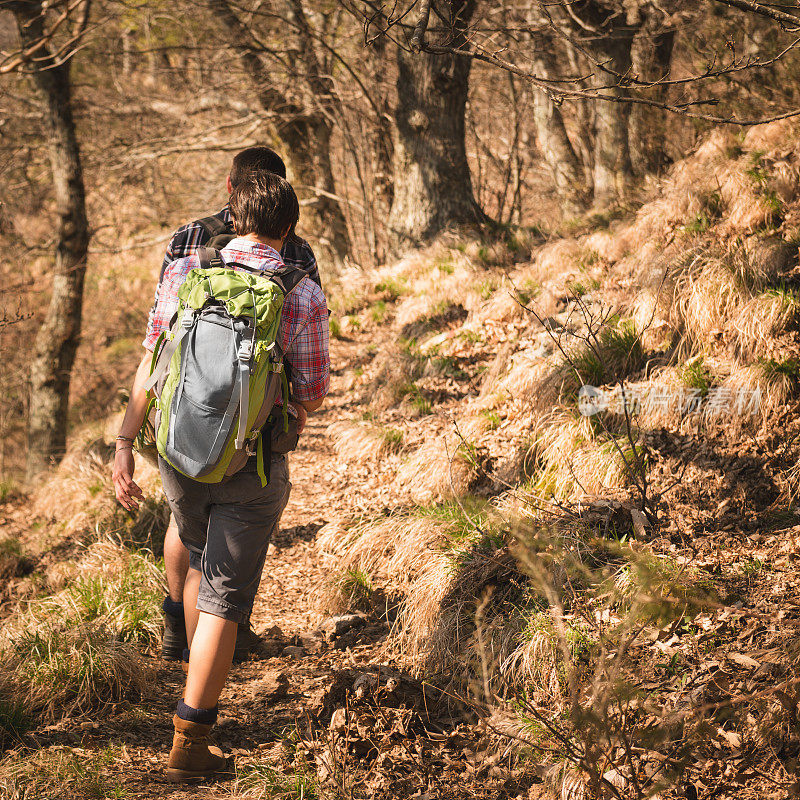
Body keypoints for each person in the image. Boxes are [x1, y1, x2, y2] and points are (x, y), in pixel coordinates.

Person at [112, 172, 329, 780]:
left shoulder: (186, 276)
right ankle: (189, 742)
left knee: (199, 560)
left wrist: (127, 443)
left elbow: (152, 363)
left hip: (178, 455)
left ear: (233, 218)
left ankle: (189, 673)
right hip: (252, 464)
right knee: (225, 604)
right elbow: (312, 390)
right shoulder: (300, 293)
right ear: (288, 231)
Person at [153, 146, 322, 664]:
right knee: (231, 546)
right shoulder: (296, 258)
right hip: (253, 431)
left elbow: (160, 338)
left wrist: (134, 426)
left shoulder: (189, 245)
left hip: (185, 419)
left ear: (232, 188)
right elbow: (309, 367)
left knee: (188, 528)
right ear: (285, 208)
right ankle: (222, 638)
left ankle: (176, 628)